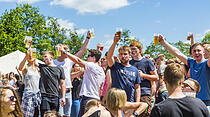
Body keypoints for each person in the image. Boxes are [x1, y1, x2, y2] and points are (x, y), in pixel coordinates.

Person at [158, 34, 210, 106]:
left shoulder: (207, 63)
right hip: (191, 99)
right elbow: (177, 53)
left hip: (205, 100)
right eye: (194, 51)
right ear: (191, 53)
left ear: (204, 52)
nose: (196, 53)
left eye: (199, 50)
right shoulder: (191, 62)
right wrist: (163, 42)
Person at [60, 47, 105, 116]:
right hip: (96, 99)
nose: (87, 57)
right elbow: (101, 88)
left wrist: (65, 52)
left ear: (94, 58)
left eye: (88, 56)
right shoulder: (101, 71)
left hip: (88, 98)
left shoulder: (92, 65)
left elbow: (78, 60)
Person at [54, 32, 90, 117]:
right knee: (59, 114)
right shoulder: (53, 62)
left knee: (67, 115)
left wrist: (87, 38)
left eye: (67, 51)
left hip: (68, 91)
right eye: (65, 51)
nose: (67, 53)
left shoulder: (69, 61)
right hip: (57, 92)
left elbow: (82, 51)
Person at [107, 32, 141, 103]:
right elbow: (109, 56)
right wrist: (114, 43)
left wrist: (137, 103)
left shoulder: (135, 70)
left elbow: (137, 87)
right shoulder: (115, 66)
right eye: (121, 54)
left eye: (125, 54)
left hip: (129, 102)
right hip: (115, 101)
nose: (123, 56)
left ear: (130, 55)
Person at [129, 40, 159, 116]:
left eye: (134, 49)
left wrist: (143, 75)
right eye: (131, 49)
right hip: (131, 94)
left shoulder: (147, 62)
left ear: (140, 50)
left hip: (144, 94)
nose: (132, 51)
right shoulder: (129, 63)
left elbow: (156, 77)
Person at [39, 51, 66, 117]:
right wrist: (30, 47)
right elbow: (32, 61)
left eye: (45, 56)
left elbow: (62, 83)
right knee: (45, 115)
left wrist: (63, 97)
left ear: (51, 57)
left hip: (55, 96)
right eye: (43, 57)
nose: (44, 58)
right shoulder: (42, 67)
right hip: (44, 96)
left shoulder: (60, 69)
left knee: (55, 115)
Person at [18, 48, 41, 117]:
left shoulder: (38, 69)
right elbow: (20, 68)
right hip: (28, 95)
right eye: (29, 56)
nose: (30, 57)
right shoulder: (26, 68)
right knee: (27, 115)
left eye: (32, 55)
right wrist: (26, 56)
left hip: (37, 95)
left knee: (37, 114)